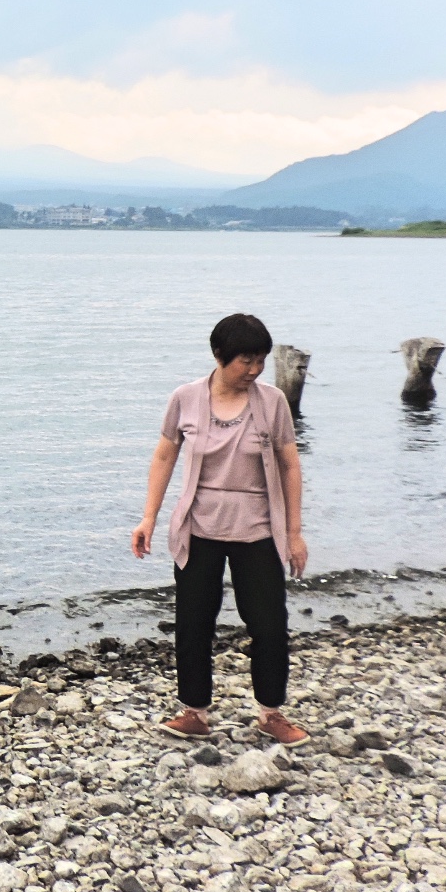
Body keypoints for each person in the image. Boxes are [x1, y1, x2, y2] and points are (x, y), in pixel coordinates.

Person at [129, 312, 309, 745]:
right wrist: (149, 516)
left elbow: (289, 464)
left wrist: (296, 532)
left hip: (260, 531)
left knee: (268, 625)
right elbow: (164, 455)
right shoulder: (185, 398)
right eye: (245, 360)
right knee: (193, 624)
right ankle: (194, 712)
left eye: (261, 361)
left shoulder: (273, 403)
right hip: (198, 528)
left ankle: (271, 713)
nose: (254, 370)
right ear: (218, 355)